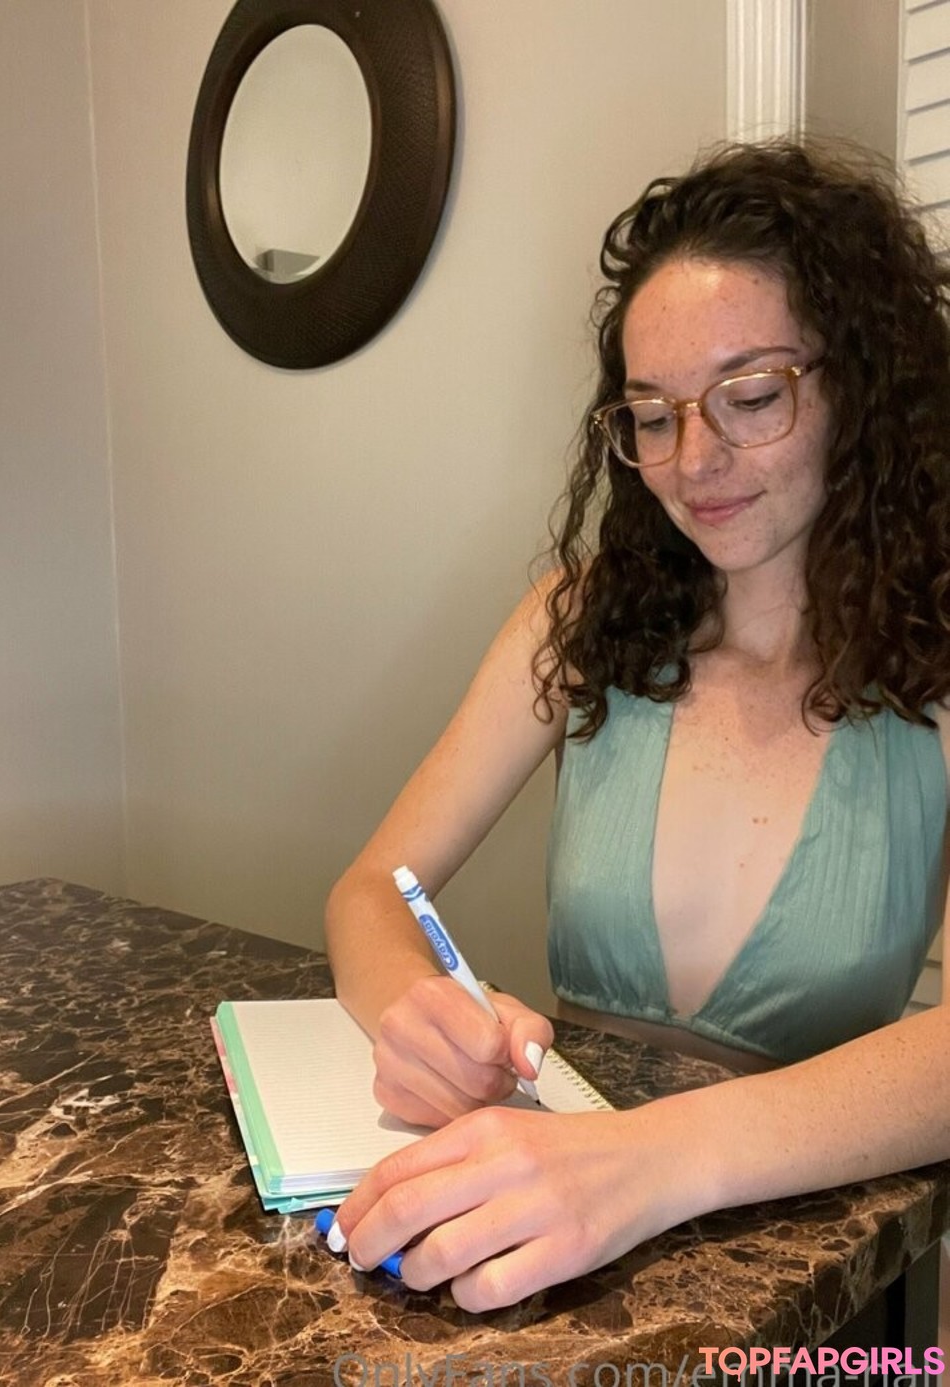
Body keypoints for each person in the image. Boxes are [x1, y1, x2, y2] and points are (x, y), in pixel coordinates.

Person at [323, 140, 950, 1313]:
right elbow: (369, 892)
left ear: (860, 388)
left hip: (805, 1289)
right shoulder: (577, 622)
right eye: (653, 416)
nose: (693, 461)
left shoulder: (939, 664)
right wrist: (413, 1009)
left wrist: (650, 1162)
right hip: (558, 1229)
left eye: (751, 396)